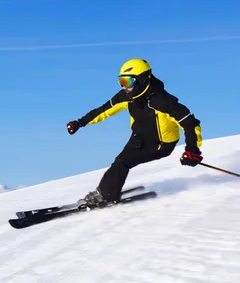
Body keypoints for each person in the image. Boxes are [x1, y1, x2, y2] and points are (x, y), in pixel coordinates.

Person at [66, 58, 204, 209]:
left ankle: (105, 196)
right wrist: (79, 123)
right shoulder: (127, 97)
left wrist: (192, 149)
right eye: (121, 82)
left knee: (122, 162)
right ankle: (106, 192)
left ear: (142, 80)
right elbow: (103, 110)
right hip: (139, 137)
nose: (124, 87)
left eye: (127, 82)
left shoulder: (163, 102)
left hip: (160, 144)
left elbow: (190, 124)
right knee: (120, 161)